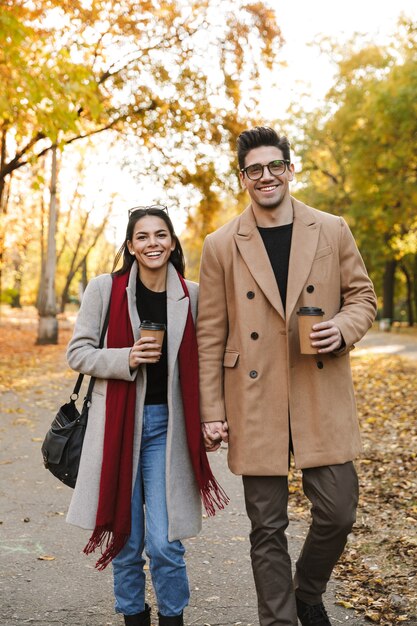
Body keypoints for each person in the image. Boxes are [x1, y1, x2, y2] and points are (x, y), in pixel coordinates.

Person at [196, 127, 377, 626]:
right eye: (254, 169)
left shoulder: (331, 228)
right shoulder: (221, 244)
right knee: (266, 528)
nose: (266, 176)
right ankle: (277, 620)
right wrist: (212, 412)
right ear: (243, 179)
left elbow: (363, 297)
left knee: (339, 512)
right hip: (254, 396)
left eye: (275, 166)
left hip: (319, 388)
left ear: (290, 169)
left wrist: (341, 328)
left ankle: (308, 589)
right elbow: (210, 335)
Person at [66, 205, 227, 626]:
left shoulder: (192, 294)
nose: (152, 243)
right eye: (142, 236)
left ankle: (173, 617)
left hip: (169, 429)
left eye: (160, 235)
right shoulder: (105, 289)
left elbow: (210, 358)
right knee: (126, 537)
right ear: (131, 246)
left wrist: (214, 415)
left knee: (165, 542)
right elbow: (78, 353)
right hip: (116, 428)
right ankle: (133, 616)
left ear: (172, 243)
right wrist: (127, 357)